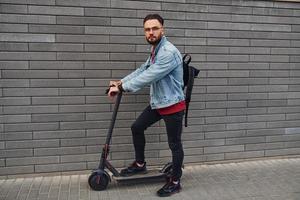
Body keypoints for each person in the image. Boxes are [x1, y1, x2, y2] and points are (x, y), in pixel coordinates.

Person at [108, 14, 185, 197]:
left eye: (154, 28)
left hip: (173, 105)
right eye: (147, 29)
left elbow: (149, 76)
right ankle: (140, 164)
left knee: (174, 144)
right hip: (159, 103)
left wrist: (123, 87)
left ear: (162, 30)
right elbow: (143, 69)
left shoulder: (167, 52)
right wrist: (120, 82)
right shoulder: (156, 49)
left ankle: (175, 181)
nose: (151, 32)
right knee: (137, 127)